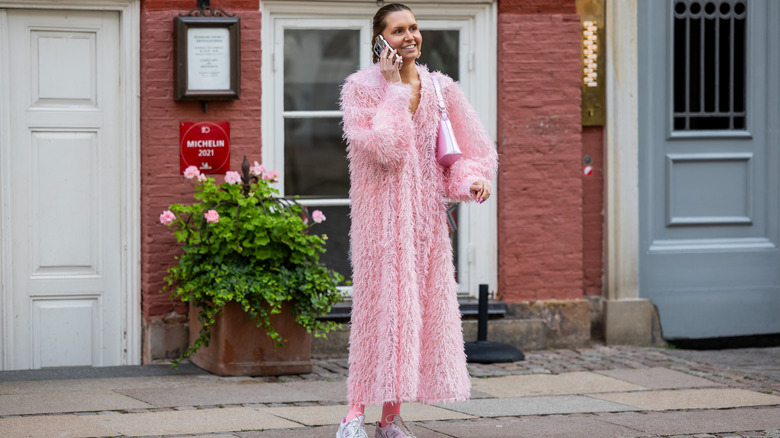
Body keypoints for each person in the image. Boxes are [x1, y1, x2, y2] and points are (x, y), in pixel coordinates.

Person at [337, 3, 497, 437]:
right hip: (380, 223)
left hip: (425, 223)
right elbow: (384, 150)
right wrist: (393, 90)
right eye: (398, 30)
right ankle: (354, 415)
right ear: (379, 39)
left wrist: (472, 181)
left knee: (413, 319)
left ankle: (390, 418)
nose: (409, 36)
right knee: (377, 315)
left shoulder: (441, 88)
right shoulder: (360, 89)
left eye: (414, 28)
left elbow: (467, 152)